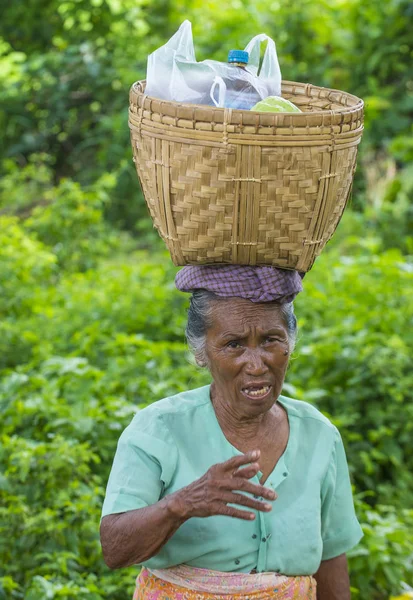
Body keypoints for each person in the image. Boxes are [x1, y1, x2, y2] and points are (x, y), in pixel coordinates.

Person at [100, 265, 363, 600]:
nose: (256, 364)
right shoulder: (158, 429)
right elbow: (114, 548)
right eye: (234, 344)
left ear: (290, 343)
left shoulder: (320, 435)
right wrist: (182, 504)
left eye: (270, 340)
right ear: (201, 353)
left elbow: (331, 557)